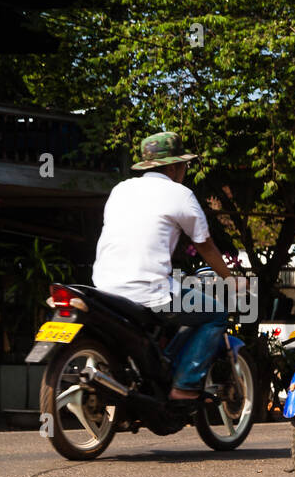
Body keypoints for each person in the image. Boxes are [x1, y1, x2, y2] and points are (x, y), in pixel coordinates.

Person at [92, 131, 237, 404]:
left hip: (105, 288)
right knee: (216, 313)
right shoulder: (180, 194)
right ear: (173, 167)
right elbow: (205, 246)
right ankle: (185, 386)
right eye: (184, 165)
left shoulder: (120, 190)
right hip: (149, 291)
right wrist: (231, 278)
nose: (185, 170)